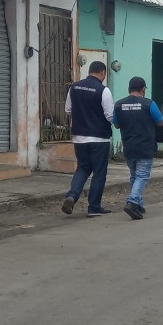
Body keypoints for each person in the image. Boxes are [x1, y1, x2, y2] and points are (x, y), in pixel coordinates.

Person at [61, 61, 114, 217]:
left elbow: (67, 110)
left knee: (83, 168)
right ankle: (94, 207)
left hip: (79, 138)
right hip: (99, 139)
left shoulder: (74, 87)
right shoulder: (104, 91)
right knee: (99, 173)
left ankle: (72, 196)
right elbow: (110, 115)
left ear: (89, 71)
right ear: (103, 72)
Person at [113, 77, 163, 220]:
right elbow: (160, 122)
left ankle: (139, 205)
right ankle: (133, 201)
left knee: (134, 176)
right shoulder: (149, 104)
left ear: (129, 89)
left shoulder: (118, 105)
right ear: (143, 89)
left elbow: (116, 124)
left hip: (128, 146)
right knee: (142, 176)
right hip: (145, 146)